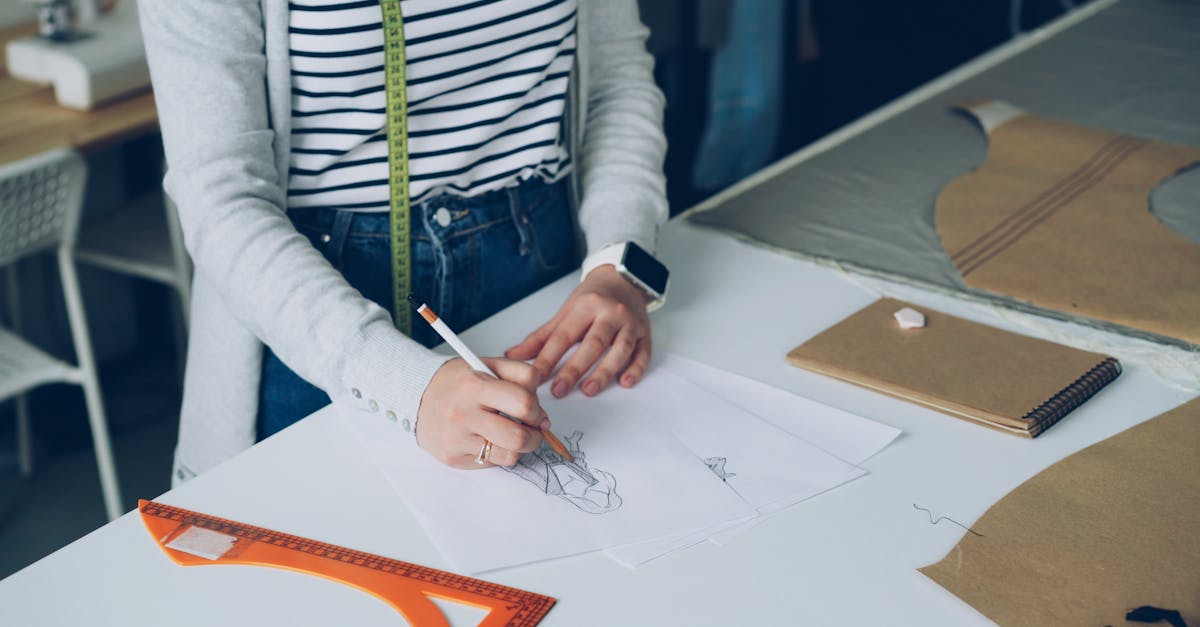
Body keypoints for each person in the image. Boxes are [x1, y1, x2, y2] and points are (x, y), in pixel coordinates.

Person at [139, 0, 669, 483]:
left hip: (543, 275)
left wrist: (620, 260)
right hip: (314, 308)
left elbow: (615, 80)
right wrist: (405, 383)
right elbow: (222, 198)